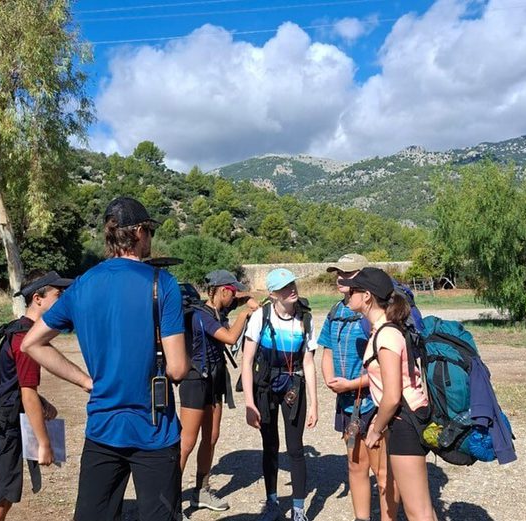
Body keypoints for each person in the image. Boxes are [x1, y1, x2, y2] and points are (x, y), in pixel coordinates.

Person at [21, 196, 190, 521]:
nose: (151, 240)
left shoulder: (82, 285)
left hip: (102, 429)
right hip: (154, 433)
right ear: (140, 232)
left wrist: (86, 381)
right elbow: (178, 368)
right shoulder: (162, 284)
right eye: (150, 232)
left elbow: (32, 343)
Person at [341, 267, 437, 521]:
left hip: (405, 422)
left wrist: (375, 429)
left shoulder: (386, 336)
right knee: (421, 508)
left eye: (352, 291)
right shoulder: (384, 330)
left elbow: (393, 395)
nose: (347, 295)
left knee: (418, 511)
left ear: (367, 296)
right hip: (403, 420)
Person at [0, 271, 72, 521]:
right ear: (38, 299)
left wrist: (42, 402)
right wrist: (44, 444)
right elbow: (27, 394)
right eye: (58, 295)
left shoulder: (18, 329)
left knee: (4, 499)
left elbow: (11, 382)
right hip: (1, 430)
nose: (63, 301)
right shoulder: (25, 339)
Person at [318, 263, 397, 521]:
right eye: (338, 273)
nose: (341, 278)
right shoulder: (335, 311)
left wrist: (351, 385)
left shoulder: (376, 318)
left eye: (348, 274)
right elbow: (327, 348)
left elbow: (385, 374)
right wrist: (329, 378)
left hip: (373, 401)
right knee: (355, 464)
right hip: (347, 402)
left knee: (382, 471)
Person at [179, 270, 260, 513]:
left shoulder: (219, 310)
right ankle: (169, 492)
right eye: (232, 292)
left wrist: (247, 299)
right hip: (195, 380)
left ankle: (201, 491)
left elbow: (243, 298)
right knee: (187, 441)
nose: (234, 296)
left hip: (215, 379)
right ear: (223, 290)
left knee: (211, 437)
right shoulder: (201, 316)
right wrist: (246, 313)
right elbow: (230, 337)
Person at [241, 268, 318, 521]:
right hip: (265, 384)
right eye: (285, 287)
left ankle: (298, 509)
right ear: (273, 294)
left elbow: (308, 362)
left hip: (294, 384)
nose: (292, 289)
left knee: (295, 449)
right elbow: (247, 360)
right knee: (270, 445)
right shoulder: (260, 317)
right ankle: (272, 502)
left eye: (293, 284)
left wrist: (315, 404)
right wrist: (249, 403)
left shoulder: (305, 318)